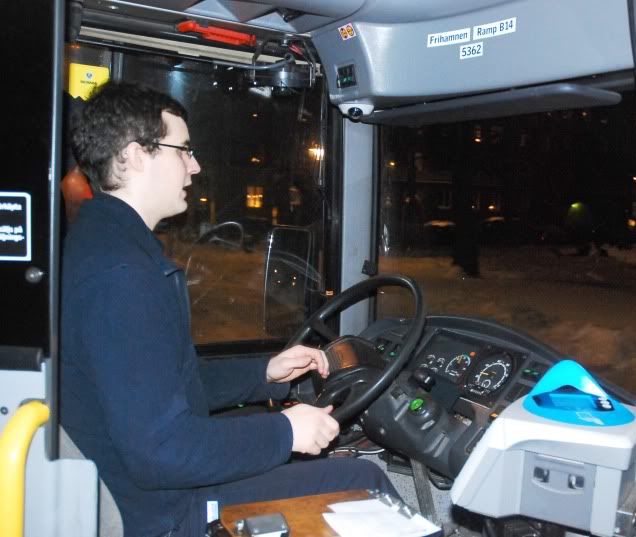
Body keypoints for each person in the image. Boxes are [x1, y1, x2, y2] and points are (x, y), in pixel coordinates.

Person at [60, 82, 395, 537]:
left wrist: (265, 373)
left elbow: (164, 383)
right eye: (183, 150)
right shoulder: (122, 275)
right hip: (161, 514)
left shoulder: (101, 245)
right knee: (364, 480)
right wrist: (286, 432)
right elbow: (161, 452)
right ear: (136, 155)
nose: (194, 166)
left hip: (141, 490)